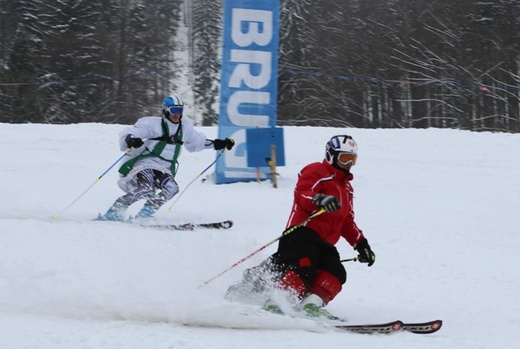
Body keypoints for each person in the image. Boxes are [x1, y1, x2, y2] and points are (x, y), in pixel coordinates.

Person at [225, 135, 375, 318]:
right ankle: (277, 302)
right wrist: (319, 199)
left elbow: (347, 221)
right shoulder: (317, 171)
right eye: (345, 158)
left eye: (353, 159)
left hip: (324, 243)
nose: (349, 163)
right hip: (302, 233)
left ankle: (310, 306)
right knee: (304, 266)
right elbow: (302, 194)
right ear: (331, 155)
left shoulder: (347, 188)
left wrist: (361, 244)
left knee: (336, 271)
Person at [97, 94, 235, 221]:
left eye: (180, 111)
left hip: (165, 167)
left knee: (172, 188)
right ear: (166, 110)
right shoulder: (154, 125)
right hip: (146, 163)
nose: (177, 114)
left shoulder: (185, 128)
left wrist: (219, 144)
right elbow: (133, 132)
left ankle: (145, 214)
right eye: (174, 110)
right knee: (146, 188)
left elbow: (197, 141)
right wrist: (131, 139)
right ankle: (115, 211)